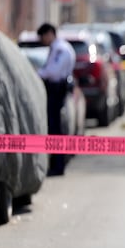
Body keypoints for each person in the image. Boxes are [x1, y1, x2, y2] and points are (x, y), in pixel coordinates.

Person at [37, 22, 76, 176]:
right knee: (54, 128)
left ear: (50, 34)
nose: (42, 40)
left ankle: (58, 165)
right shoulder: (57, 48)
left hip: (56, 90)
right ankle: (56, 164)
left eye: (43, 37)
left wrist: (36, 74)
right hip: (54, 90)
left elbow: (52, 72)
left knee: (56, 129)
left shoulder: (60, 49)